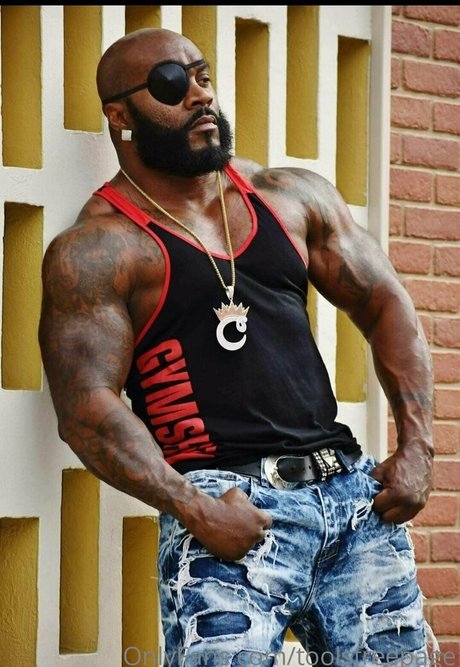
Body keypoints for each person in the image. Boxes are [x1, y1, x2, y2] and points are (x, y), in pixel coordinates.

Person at [39, 27, 438, 667]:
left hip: (352, 503)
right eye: (172, 84)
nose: (200, 95)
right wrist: (192, 507)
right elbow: (87, 408)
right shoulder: (101, 248)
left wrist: (417, 446)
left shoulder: (289, 198)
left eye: (203, 76)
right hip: (228, 513)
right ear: (120, 116)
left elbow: (385, 303)